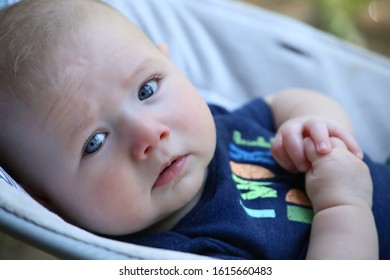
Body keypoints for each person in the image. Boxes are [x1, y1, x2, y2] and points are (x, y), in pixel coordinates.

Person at [0, 0, 387, 259]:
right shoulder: (187, 255)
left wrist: (317, 126)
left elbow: (282, 102)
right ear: (43, 202)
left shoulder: (215, 124)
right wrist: (343, 205)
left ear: (174, 66)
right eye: (94, 143)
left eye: (147, 89)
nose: (150, 134)